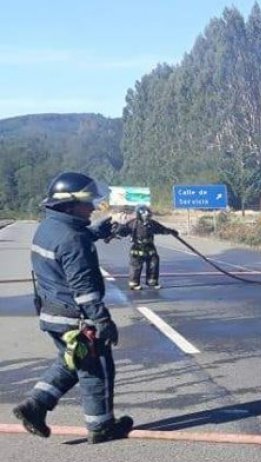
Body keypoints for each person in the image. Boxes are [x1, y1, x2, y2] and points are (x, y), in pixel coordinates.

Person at [11, 172, 132, 444]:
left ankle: (35, 406)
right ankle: (101, 427)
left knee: (71, 363)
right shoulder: (74, 241)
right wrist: (102, 321)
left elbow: (72, 239)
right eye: (87, 202)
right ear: (69, 204)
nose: (92, 207)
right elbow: (85, 291)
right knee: (96, 370)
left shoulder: (49, 227)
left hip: (52, 314)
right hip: (75, 319)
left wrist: (100, 231)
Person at [115, 205, 179, 290]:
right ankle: (134, 283)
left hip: (150, 247)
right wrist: (120, 227)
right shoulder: (132, 224)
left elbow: (162, 229)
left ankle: (152, 281)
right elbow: (122, 233)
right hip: (137, 248)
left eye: (149, 215)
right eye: (146, 215)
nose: (148, 217)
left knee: (154, 263)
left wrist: (171, 231)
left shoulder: (152, 224)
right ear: (139, 215)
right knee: (136, 266)